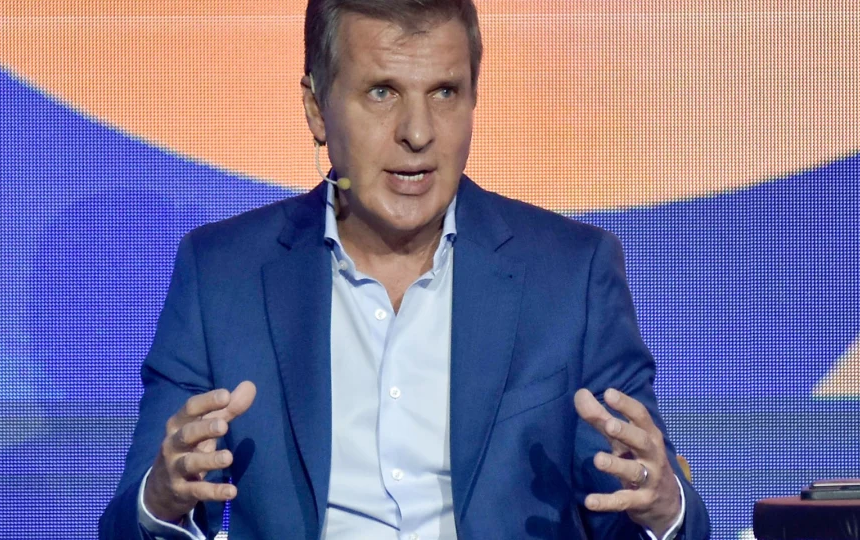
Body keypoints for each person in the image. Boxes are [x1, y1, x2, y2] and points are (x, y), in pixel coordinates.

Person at [99, 0, 710, 538]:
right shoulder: (221, 275)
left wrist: (663, 508)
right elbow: (129, 521)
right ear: (316, 109)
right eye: (382, 92)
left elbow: (637, 504)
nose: (418, 133)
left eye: (444, 93)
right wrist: (163, 501)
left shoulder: (571, 274)